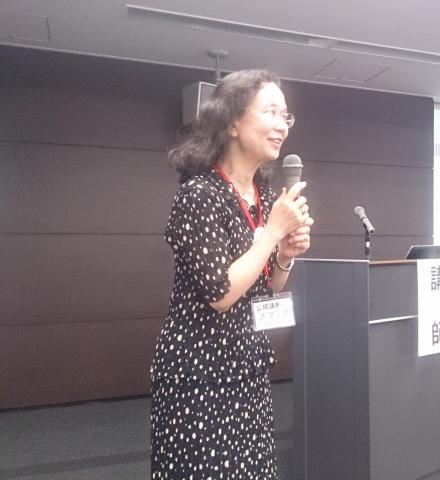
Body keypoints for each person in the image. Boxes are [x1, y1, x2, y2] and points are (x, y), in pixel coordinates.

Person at [150, 69, 312, 479]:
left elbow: (265, 285)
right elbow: (221, 293)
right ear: (233, 122)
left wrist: (285, 256)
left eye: (286, 116)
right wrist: (272, 233)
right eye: (271, 112)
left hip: (247, 366)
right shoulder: (199, 195)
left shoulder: (264, 196)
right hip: (199, 375)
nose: (282, 125)